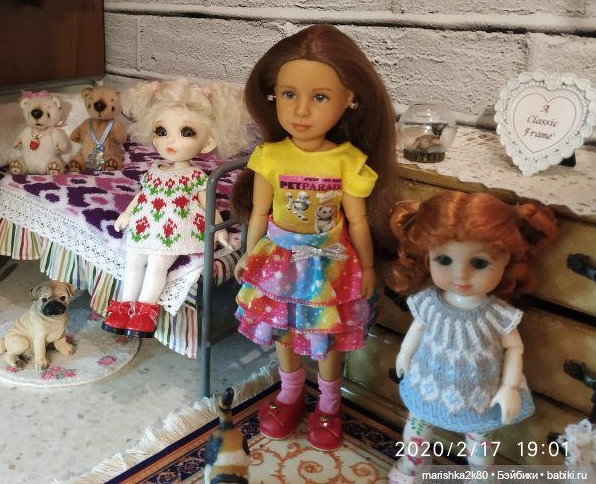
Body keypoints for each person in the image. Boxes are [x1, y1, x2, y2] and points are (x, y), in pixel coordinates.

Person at [231, 24, 398, 450]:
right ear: (273, 95)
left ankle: (328, 405)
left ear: (350, 99)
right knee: (281, 329)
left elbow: (357, 221)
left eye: (320, 97)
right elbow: (261, 212)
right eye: (289, 94)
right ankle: (289, 395)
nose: (301, 111)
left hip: (330, 263)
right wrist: (248, 255)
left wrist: (368, 266)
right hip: (277, 259)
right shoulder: (270, 155)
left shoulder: (348, 160)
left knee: (327, 337)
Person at [385, 191, 558, 482]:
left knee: (480, 447)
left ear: (507, 259)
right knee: (415, 431)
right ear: (427, 256)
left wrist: (510, 387)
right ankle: (414, 464)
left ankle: (480, 476)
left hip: (480, 392)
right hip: (429, 383)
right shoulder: (428, 302)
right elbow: (418, 328)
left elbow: (514, 348)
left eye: (479, 263)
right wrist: (405, 353)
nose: (461, 275)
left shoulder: (497, 313)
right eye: (444, 259)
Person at [102, 78, 250, 338]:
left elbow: (207, 204)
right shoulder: (154, 170)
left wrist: (219, 230)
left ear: (207, 143)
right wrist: (127, 213)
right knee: (133, 259)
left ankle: (144, 312)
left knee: (157, 263)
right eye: (161, 131)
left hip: (176, 229)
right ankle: (122, 307)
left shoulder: (195, 176)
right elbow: (144, 195)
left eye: (186, 133)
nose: (170, 140)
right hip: (147, 224)